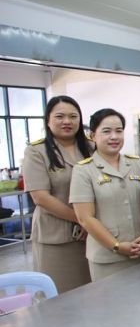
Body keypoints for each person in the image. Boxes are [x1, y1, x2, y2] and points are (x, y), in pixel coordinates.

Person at [69, 108, 140, 281]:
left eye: (119, 131)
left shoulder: (136, 164)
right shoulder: (83, 170)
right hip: (107, 258)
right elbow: (85, 218)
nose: (114, 137)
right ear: (93, 135)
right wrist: (116, 246)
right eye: (106, 131)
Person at [22, 95, 93, 293]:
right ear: (48, 120)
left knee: (94, 293)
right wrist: (83, 219)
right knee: (62, 296)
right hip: (56, 238)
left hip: (93, 235)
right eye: (60, 116)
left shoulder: (91, 147)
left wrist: (90, 224)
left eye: (73, 116)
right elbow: (41, 198)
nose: (67, 121)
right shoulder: (36, 151)